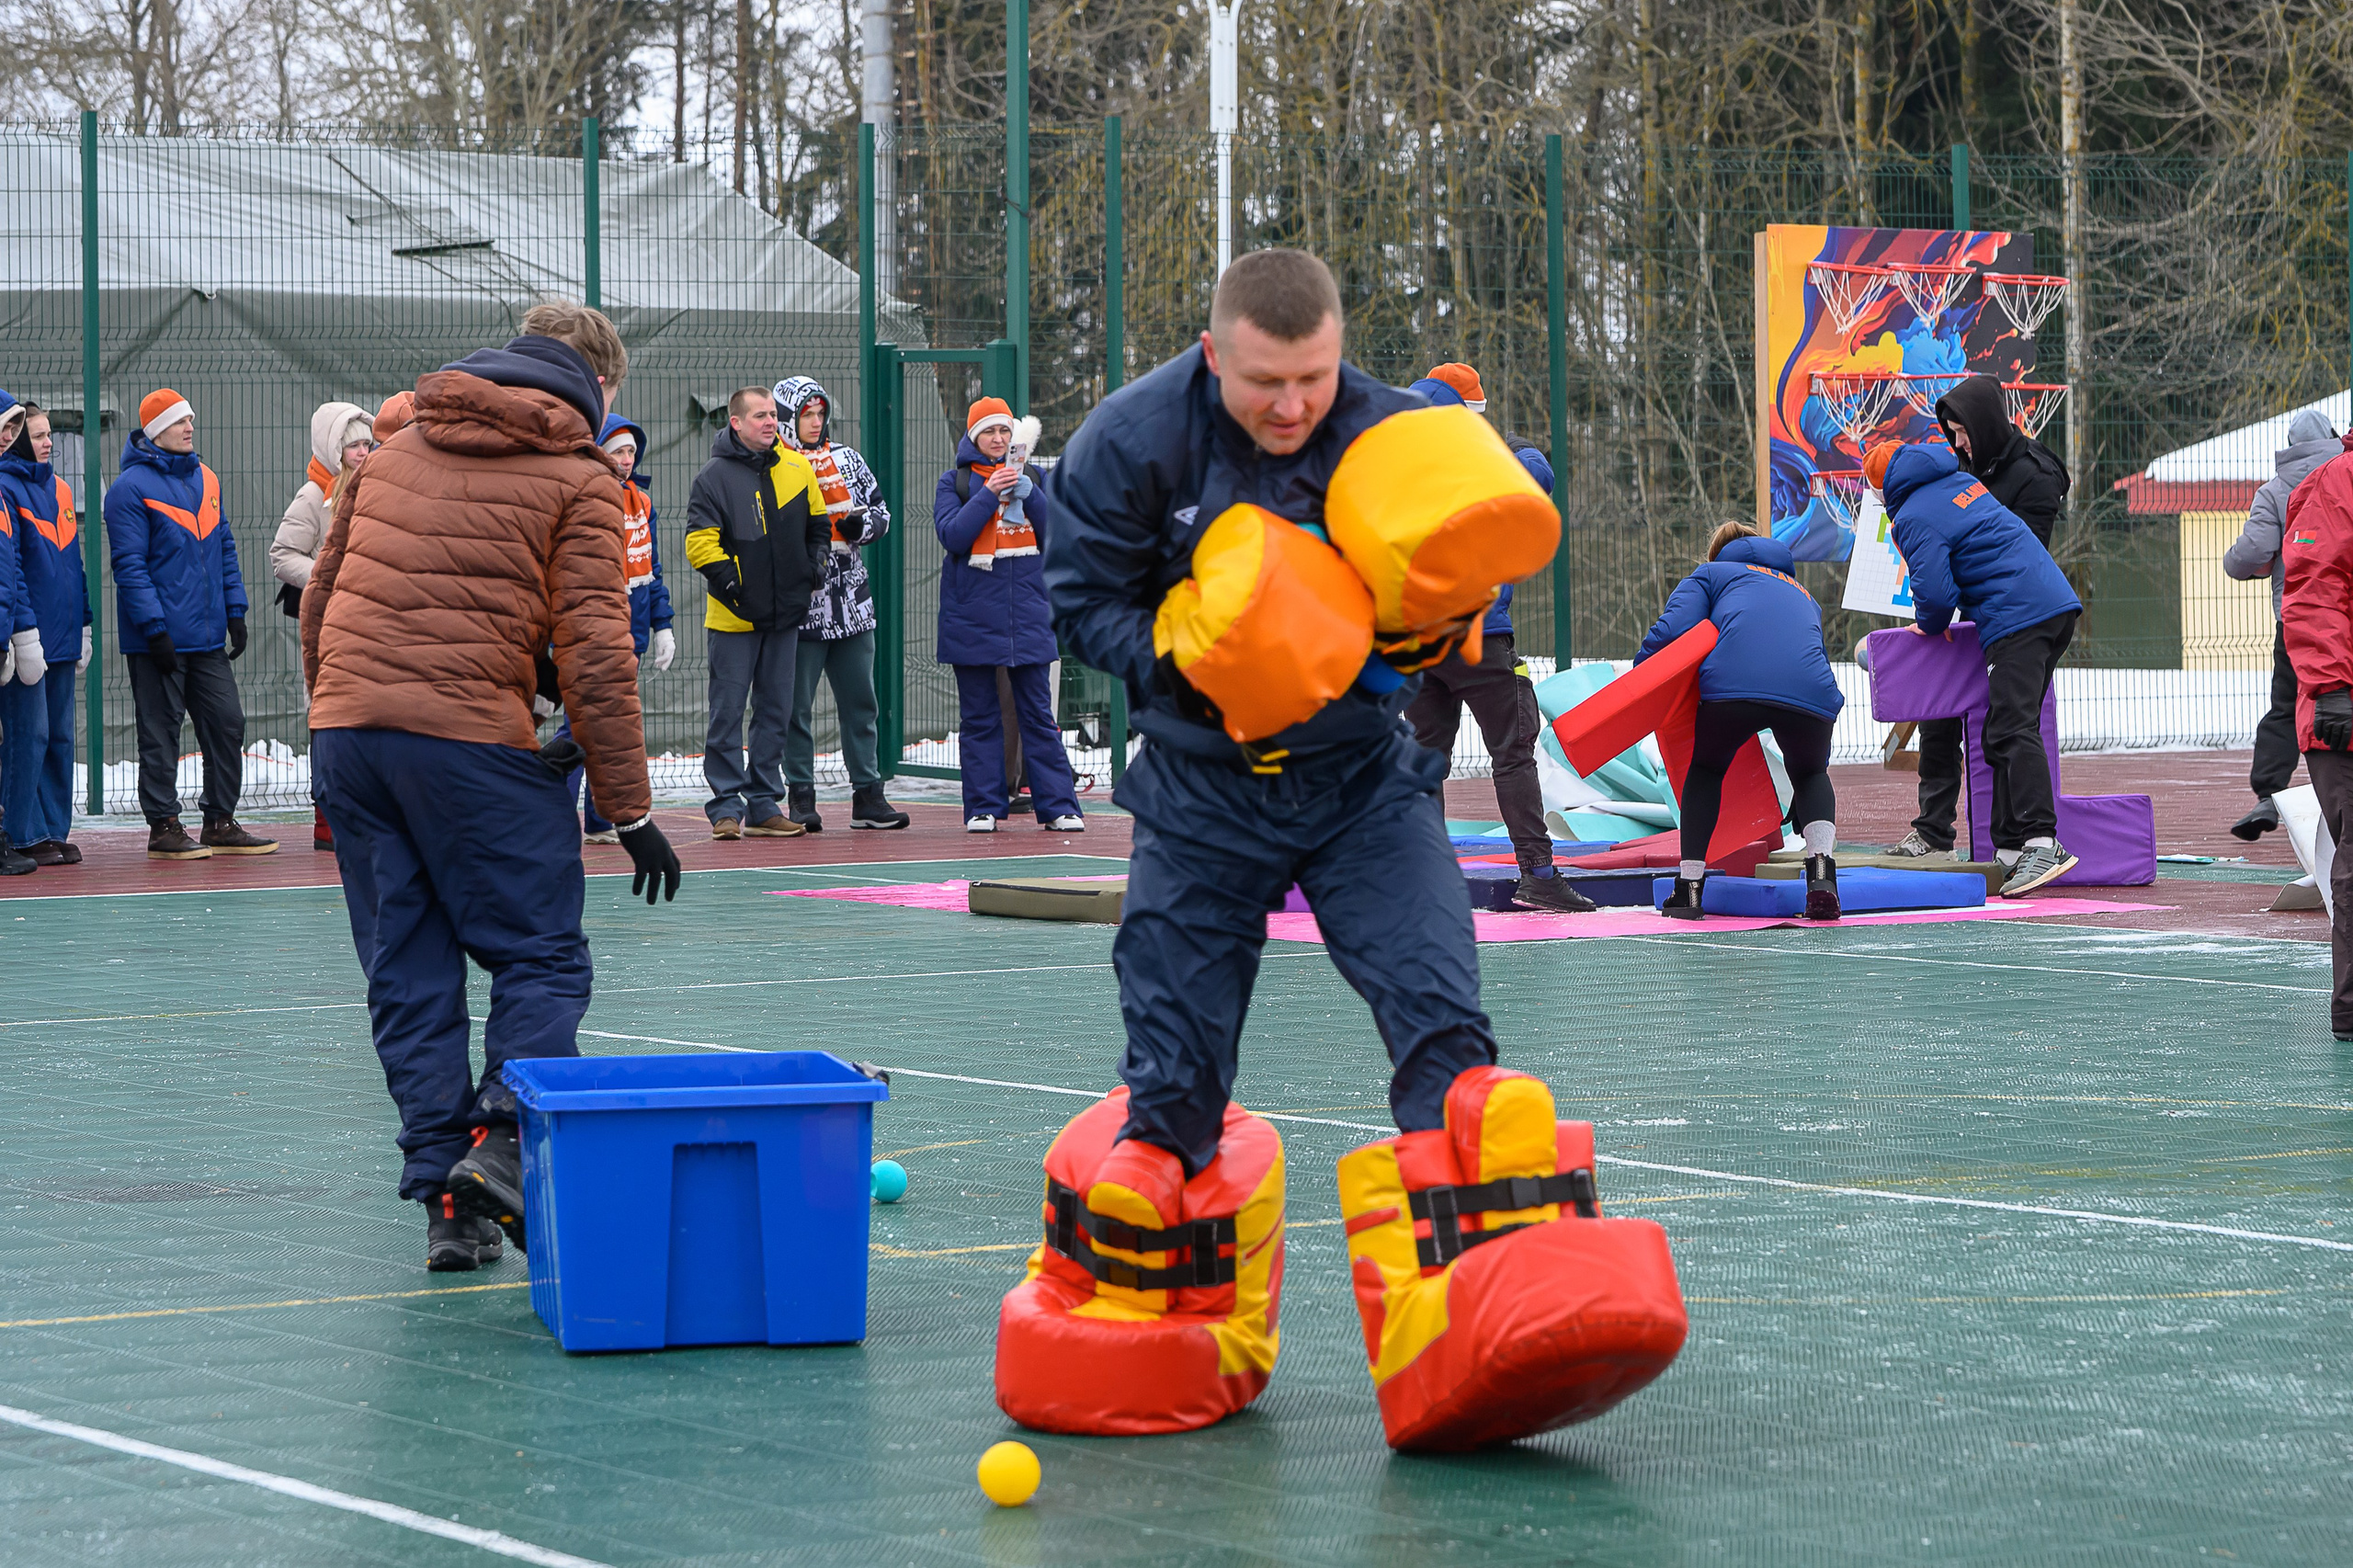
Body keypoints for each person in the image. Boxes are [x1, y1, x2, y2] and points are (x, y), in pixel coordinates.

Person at [1041, 247, 1625, 1449]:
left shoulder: (1395, 429)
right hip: (1202, 789)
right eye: (1265, 382)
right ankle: (1160, 1248)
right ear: (1217, 354)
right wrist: (1189, 645)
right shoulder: (1133, 437)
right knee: (1173, 1072)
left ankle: (1495, 1317)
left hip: (1364, 777)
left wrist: (1436, 625)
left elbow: (1473, 577)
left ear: (1338, 348)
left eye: (1312, 375)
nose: (1293, 404)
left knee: (1445, 1020)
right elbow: (1078, 603)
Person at [301, 300, 681, 1271]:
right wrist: (629, 807)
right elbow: (596, 652)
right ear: (597, 387)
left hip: (350, 733)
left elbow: (322, 599)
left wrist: (345, 716)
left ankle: (447, 1200)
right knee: (541, 952)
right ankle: (504, 1140)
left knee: (409, 970)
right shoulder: (579, 476)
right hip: (466, 739)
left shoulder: (392, 450)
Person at [1399, 367, 1592, 914]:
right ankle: (1539, 874)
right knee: (1512, 753)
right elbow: (1538, 477)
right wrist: (1512, 444)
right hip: (1477, 631)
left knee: (1424, 757)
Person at [1870, 437, 2082, 896]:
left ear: (1885, 488)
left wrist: (1926, 625)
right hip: (2053, 605)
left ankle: (2043, 842)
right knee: (2001, 730)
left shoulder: (1911, 516)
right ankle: (2007, 850)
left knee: (2011, 730)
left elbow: (1936, 595)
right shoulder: (1961, 482)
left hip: (2016, 616)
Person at [1636, 521, 1845, 920]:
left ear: (1718, 554)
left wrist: (1639, 678)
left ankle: (1690, 889)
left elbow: (1674, 629)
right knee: (1810, 774)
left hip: (1734, 686)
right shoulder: (1801, 592)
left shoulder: (1712, 574)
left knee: (1707, 769)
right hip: (1812, 693)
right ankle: (1821, 877)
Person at [103, 388, 276, 860]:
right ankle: (164, 826)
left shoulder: (208, 479)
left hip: (206, 639)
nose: (189, 427)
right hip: (158, 641)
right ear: (157, 431)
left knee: (227, 723)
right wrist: (154, 630)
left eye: (191, 420)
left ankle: (219, 821)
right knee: (160, 733)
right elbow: (130, 566)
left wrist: (235, 612)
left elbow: (225, 548)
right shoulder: (129, 490)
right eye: (180, 421)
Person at [685, 386, 829, 841]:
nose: (770, 422)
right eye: (759, 416)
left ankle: (765, 804)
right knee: (726, 713)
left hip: (785, 617)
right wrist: (734, 586)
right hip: (734, 621)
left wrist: (814, 569)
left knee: (775, 711)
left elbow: (818, 525)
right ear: (736, 423)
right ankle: (726, 808)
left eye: (772, 415)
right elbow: (699, 543)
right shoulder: (713, 476)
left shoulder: (798, 467)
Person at [935, 399, 1083, 833]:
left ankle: (1059, 807)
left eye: (1003, 432)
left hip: (1030, 617)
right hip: (971, 618)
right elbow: (953, 535)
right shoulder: (955, 482)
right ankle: (983, 807)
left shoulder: (1036, 476)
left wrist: (1030, 494)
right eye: (988, 433)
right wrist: (988, 495)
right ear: (972, 437)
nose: (997, 440)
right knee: (980, 717)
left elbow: (1059, 531)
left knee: (1039, 716)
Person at [771, 376, 907, 831]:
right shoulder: (774, 464)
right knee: (797, 708)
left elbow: (882, 513)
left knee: (861, 702)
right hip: (801, 607)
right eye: (805, 415)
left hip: (853, 603)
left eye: (820, 413)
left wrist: (859, 526)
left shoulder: (848, 459)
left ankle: (868, 795)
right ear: (788, 420)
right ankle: (801, 797)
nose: (815, 422)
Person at [555, 413, 677, 845]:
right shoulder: (581, 499)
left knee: (610, 725)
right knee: (579, 722)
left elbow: (653, 568)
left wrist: (661, 624)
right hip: (590, 629)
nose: (625, 460)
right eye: (616, 451)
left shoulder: (641, 503)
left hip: (633, 631)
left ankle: (601, 819)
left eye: (630, 452)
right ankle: (554, 815)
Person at [2224, 408, 2339, 841]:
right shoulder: (2345, 474)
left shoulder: (2275, 491)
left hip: (2297, 618)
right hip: (2345, 615)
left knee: (2286, 708)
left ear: (2291, 447)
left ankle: (2270, 793)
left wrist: (2238, 563)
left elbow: (2252, 554)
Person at [273, 400, 378, 850]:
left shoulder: (376, 489)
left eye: (368, 444)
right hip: (329, 624)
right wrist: (327, 576)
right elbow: (282, 555)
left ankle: (364, 813)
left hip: (370, 622)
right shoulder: (314, 495)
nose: (363, 453)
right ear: (333, 447)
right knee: (329, 717)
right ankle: (327, 821)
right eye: (353, 445)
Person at [0, 400, 91, 869]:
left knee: (59, 737)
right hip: (30, 636)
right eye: (36, 434)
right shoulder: (5, 489)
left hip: (63, 633)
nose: (47, 441)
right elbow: (10, 568)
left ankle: (54, 829)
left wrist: (86, 620)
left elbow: (74, 562)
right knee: (27, 737)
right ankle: (22, 830)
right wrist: (20, 634)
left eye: (47, 433)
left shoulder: (58, 487)